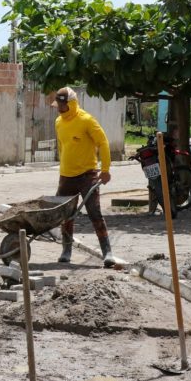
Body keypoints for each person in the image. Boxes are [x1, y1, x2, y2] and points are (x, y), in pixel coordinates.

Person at [52, 86, 116, 267]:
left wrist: (105, 169)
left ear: (71, 104)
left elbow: (103, 143)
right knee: (65, 215)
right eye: (58, 105)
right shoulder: (58, 122)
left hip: (87, 175)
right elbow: (62, 146)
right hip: (66, 176)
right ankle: (66, 249)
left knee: (95, 212)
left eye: (62, 105)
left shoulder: (86, 120)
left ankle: (107, 252)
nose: (59, 108)